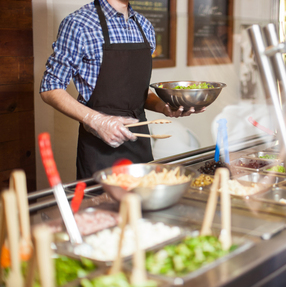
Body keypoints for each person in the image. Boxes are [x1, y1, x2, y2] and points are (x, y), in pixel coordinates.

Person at [40, 0, 204, 179]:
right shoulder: (79, 24)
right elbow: (50, 87)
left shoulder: (144, 26)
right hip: (99, 149)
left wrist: (164, 106)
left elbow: (137, 90)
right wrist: (96, 120)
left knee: (144, 204)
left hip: (140, 144)